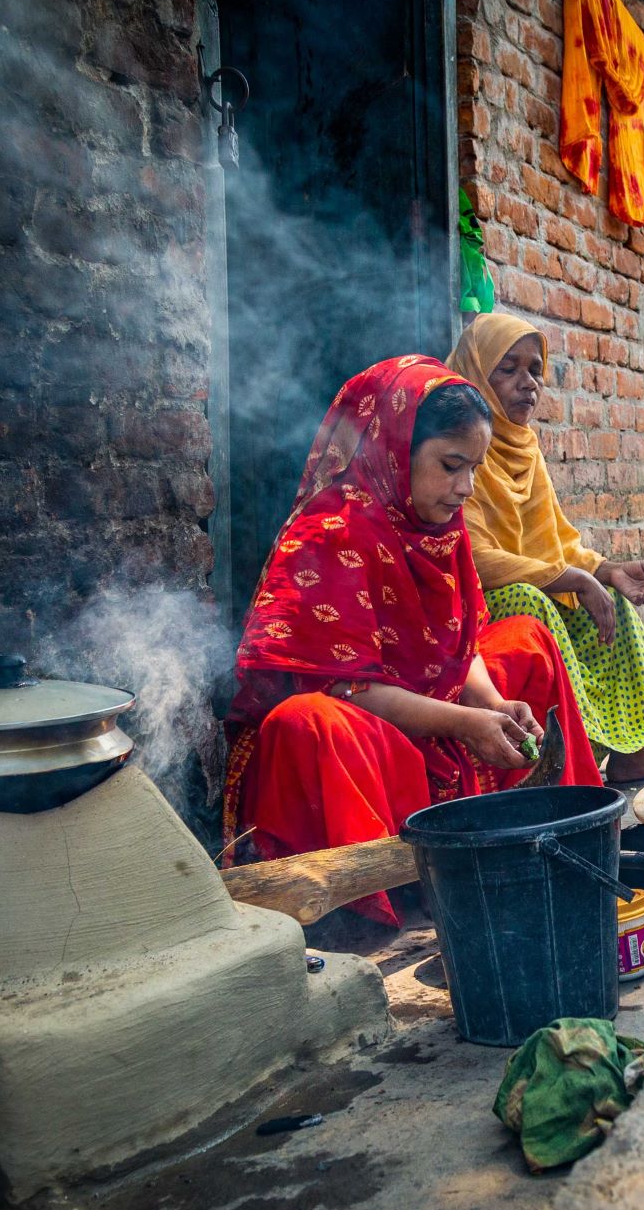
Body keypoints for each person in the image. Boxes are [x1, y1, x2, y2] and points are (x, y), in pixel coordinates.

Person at [223, 355, 605, 926]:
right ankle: (377, 887)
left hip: (438, 710)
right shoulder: (330, 530)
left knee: (527, 639)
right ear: (397, 449)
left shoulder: (440, 527)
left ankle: (554, 830)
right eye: (451, 465)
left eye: (473, 468)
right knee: (307, 723)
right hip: (375, 733)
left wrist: (494, 708)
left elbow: (463, 643)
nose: (465, 489)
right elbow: (347, 690)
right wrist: (463, 724)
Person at [446, 312, 644, 781]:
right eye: (507, 368)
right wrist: (569, 577)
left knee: (605, 591)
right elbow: (472, 556)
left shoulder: (524, 446)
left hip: (530, 577)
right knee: (532, 599)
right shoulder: (453, 445)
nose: (527, 382)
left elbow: (556, 538)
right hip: (475, 599)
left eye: (534, 370)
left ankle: (628, 750)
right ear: (475, 371)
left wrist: (606, 568)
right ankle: (571, 752)